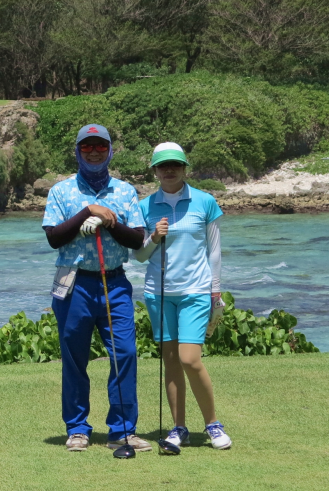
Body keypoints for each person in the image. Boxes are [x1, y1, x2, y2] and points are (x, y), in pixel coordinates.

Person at [42, 124, 150, 454]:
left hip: (114, 280)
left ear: (109, 150)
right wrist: (87, 212)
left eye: (100, 147)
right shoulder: (61, 192)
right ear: (77, 151)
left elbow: (138, 240)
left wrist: (109, 220)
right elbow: (54, 238)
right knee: (75, 359)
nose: (93, 152)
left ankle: (122, 430)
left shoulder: (125, 191)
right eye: (86, 147)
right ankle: (77, 428)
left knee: (125, 354)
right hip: (72, 281)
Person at [133, 142, 232, 452]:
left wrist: (215, 291)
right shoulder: (145, 207)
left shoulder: (205, 202)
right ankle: (178, 428)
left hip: (195, 291)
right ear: (155, 171)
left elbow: (214, 251)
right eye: (163, 166)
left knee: (190, 359)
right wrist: (153, 237)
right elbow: (138, 255)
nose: (170, 170)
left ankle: (213, 424)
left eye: (175, 164)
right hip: (159, 293)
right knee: (172, 361)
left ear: (185, 167)